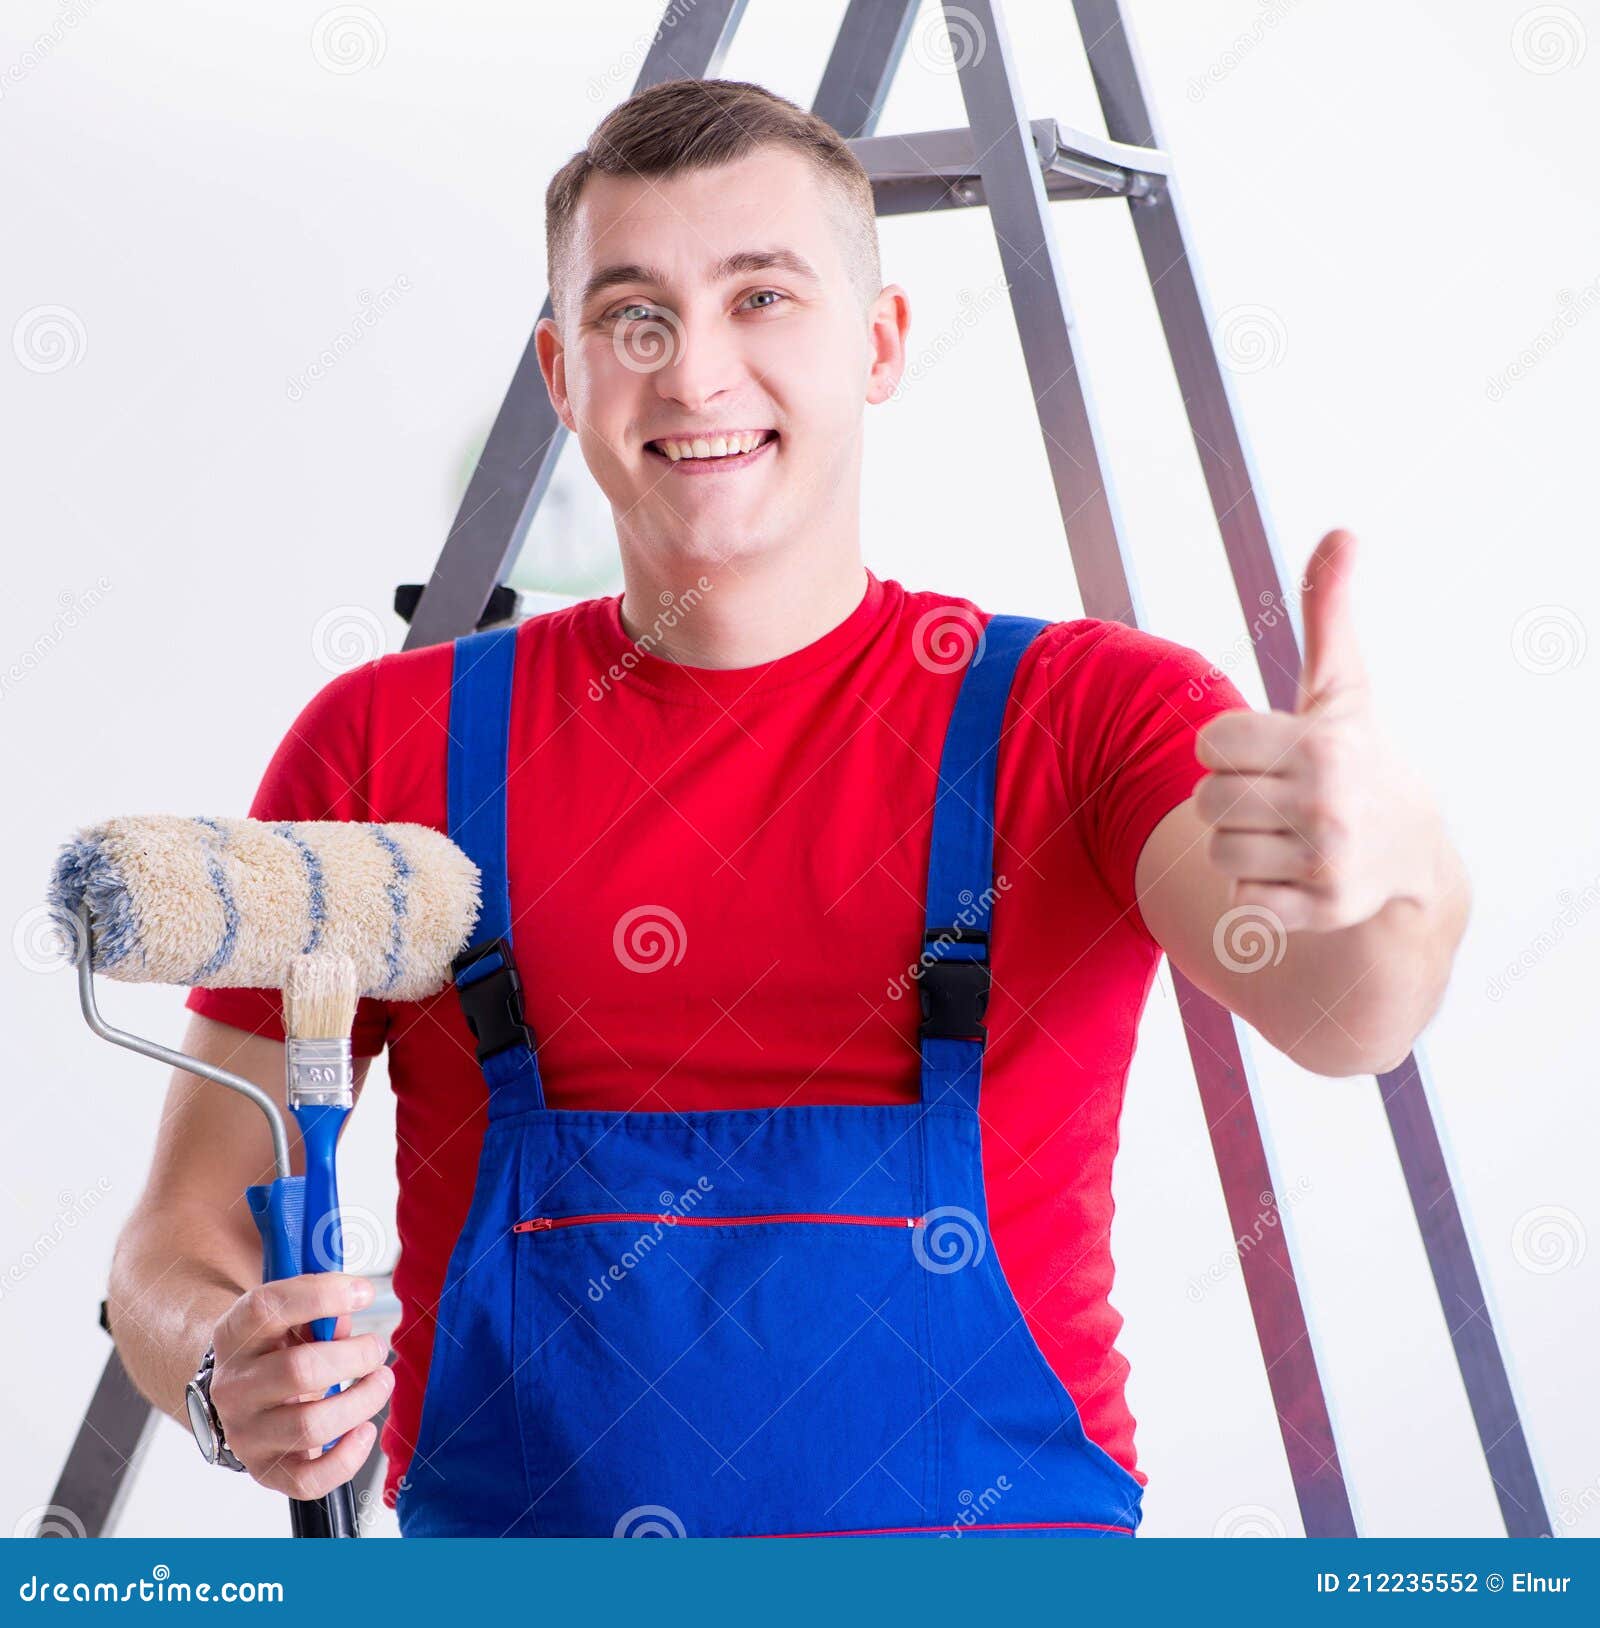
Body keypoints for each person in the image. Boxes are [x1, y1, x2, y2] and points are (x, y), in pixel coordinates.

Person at [107, 78, 1469, 1536]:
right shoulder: (395, 747)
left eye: (762, 298)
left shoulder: (1083, 720)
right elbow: (176, 1239)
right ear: (564, 377)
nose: (695, 374)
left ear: (879, 345)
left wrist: (1397, 864)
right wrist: (216, 1370)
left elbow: (1354, 1016)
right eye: (636, 316)